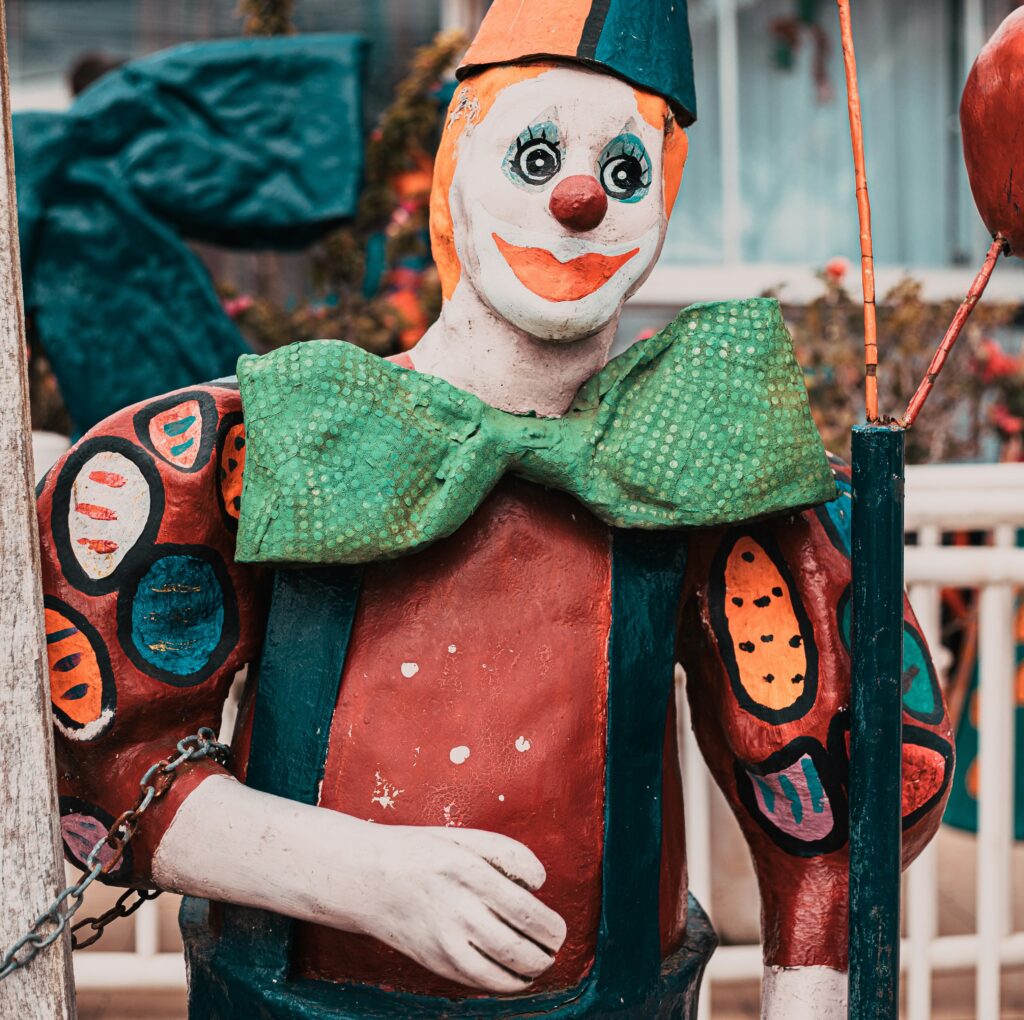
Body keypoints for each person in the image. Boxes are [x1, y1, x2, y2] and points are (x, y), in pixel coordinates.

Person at [38, 2, 954, 1017]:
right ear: (455, 168)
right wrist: (351, 873)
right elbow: (107, 757)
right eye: (535, 156)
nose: (577, 200)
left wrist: (806, 993)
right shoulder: (279, 438)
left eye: (624, 172)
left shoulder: (708, 477)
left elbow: (835, 812)